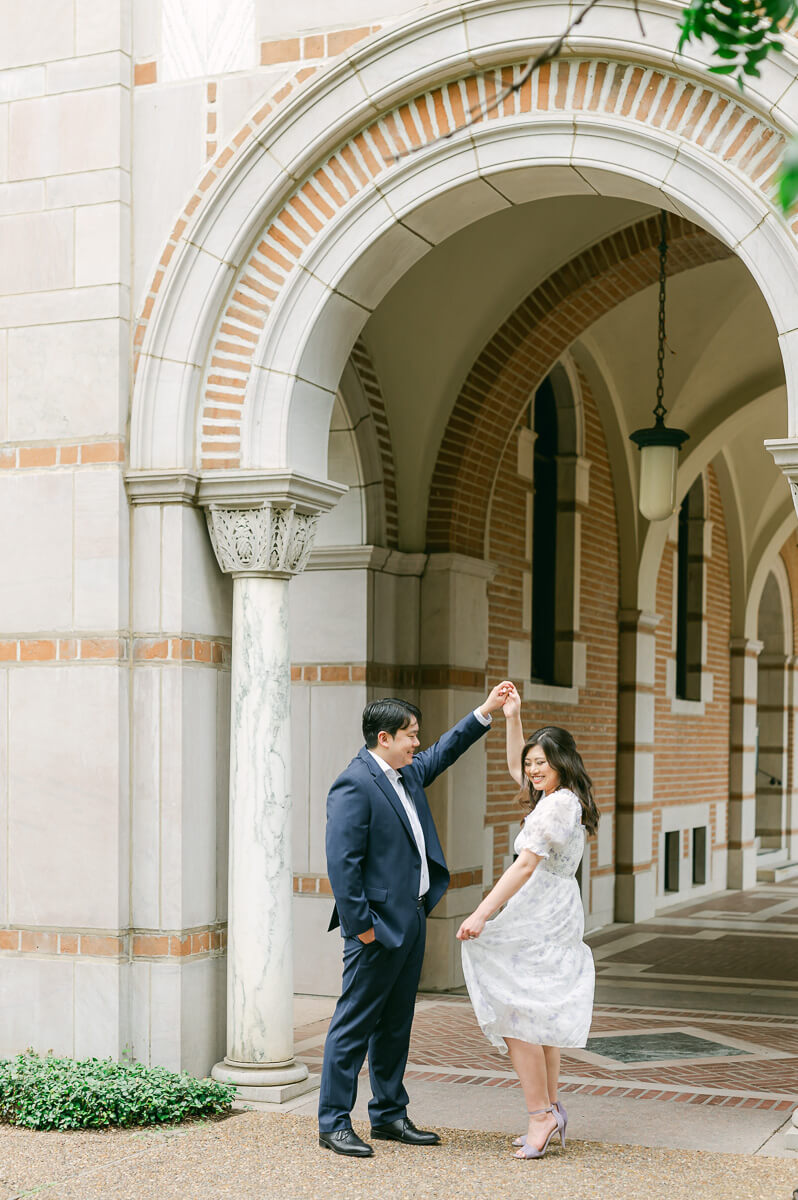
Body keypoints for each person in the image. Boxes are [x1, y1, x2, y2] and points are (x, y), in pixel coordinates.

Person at [318, 682, 513, 1157]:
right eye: (410, 735)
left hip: (412, 920)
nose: (417, 743)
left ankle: (387, 1116)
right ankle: (333, 1123)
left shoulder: (405, 774)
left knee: (396, 1024)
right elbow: (342, 863)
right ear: (384, 737)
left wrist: (486, 711)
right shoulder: (355, 782)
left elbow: (446, 750)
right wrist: (362, 927)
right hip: (376, 929)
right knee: (354, 1024)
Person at [457, 683, 598, 1160]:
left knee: (518, 1012)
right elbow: (517, 766)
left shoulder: (556, 805)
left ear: (563, 762)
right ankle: (550, 1108)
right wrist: (512, 715)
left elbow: (523, 866)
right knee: (539, 1015)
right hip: (552, 908)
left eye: (542, 762)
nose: (533, 770)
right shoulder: (561, 797)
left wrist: (481, 912)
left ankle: (540, 1114)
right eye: (531, 762)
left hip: (541, 910)